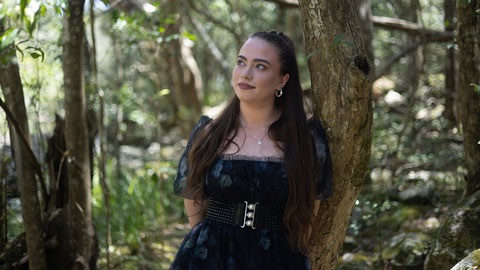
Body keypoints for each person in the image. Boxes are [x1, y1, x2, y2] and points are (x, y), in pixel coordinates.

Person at [171, 30, 332, 270]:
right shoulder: (209, 131)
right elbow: (193, 198)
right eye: (241, 62)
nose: (245, 74)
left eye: (260, 67)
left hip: (277, 257)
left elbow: (310, 210)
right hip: (210, 256)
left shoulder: (305, 138)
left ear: (282, 80)